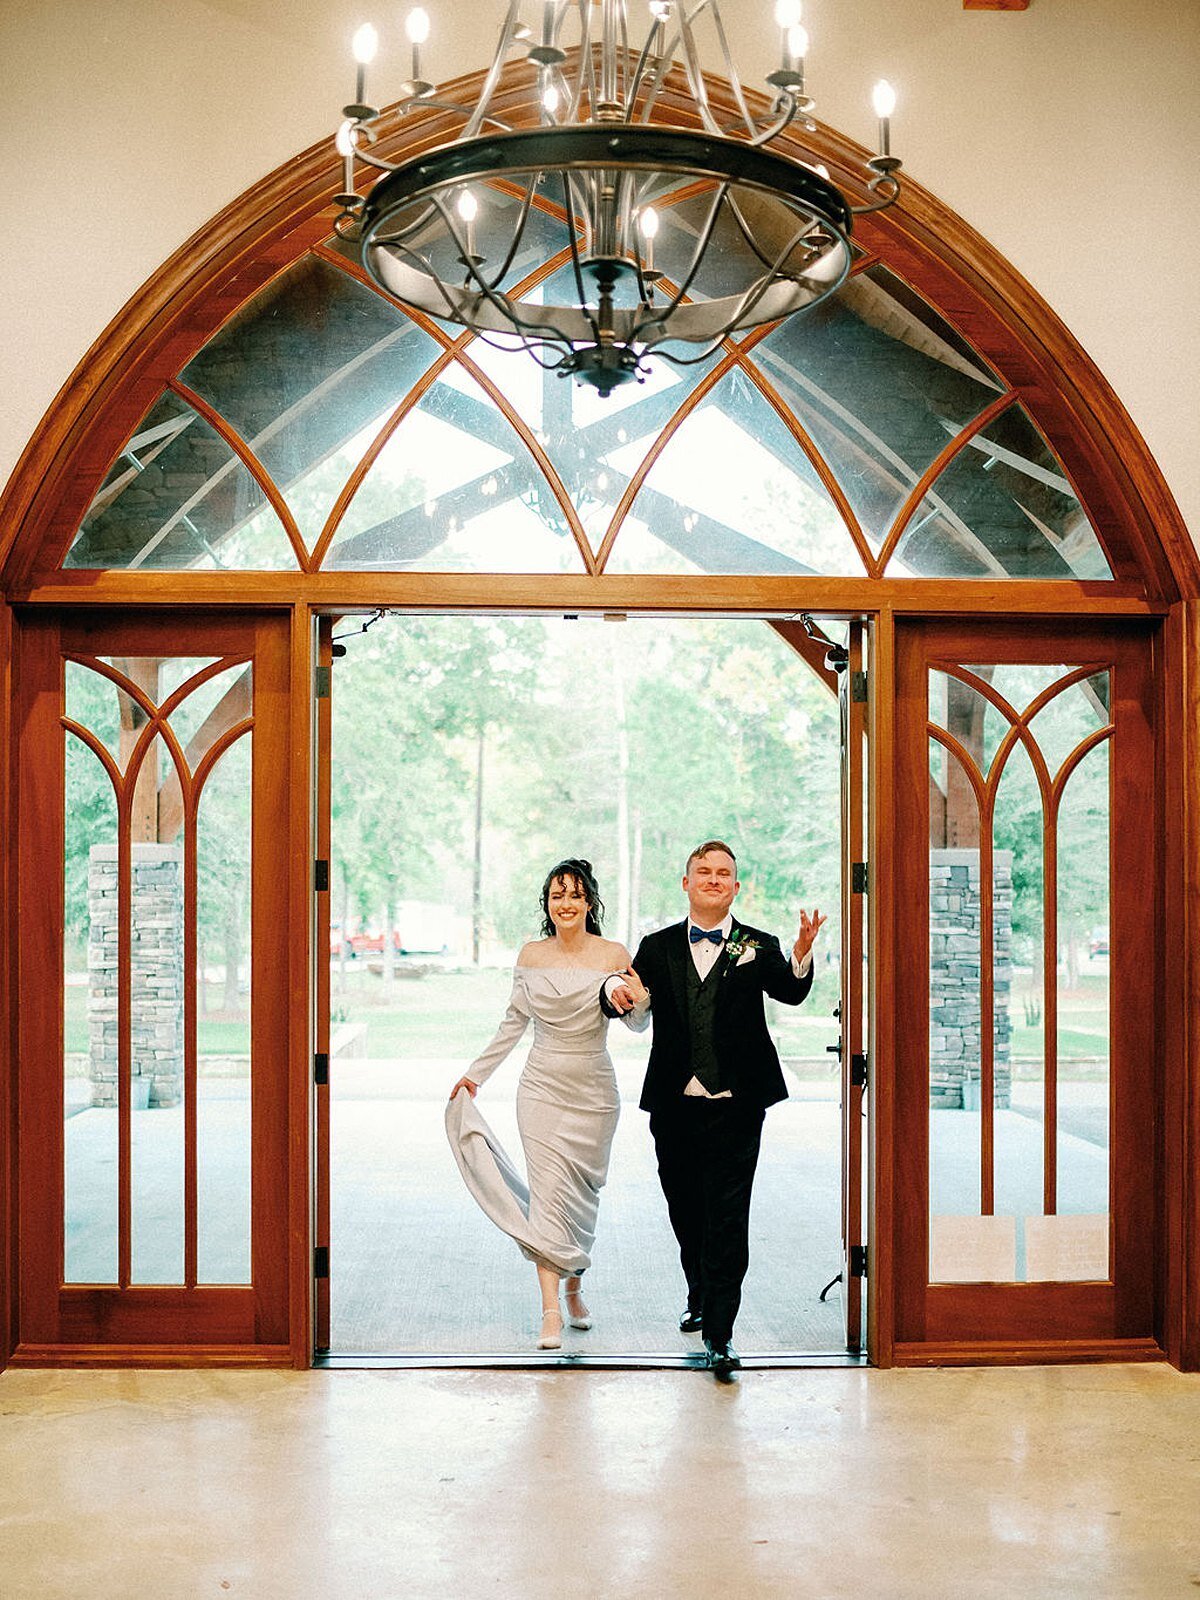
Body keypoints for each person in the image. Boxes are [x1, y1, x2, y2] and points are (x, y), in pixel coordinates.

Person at [602, 839, 825, 1379]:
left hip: (738, 1105)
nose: (713, 879)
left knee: (728, 1215)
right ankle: (699, 1291)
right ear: (686, 883)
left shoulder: (758, 944)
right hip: (674, 1106)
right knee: (686, 1208)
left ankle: (720, 1333)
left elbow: (790, 992)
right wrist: (621, 994)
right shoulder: (655, 947)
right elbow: (630, 1010)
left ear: (736, 886)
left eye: (724, 873)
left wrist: (800, 954)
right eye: (703, 872)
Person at [447, 859, 647, 1351]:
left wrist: (641, 1000)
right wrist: (476, 1074)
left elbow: (636, 1021)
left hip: (595, 1091)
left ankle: (576, 1289)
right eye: (557, 895)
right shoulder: (531, 956)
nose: (566, 904)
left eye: (575, 895)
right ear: (547, 903)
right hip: (540, 1088)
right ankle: (551, 1311)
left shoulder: (613, 953)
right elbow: (513, 1024)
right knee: (548, 1195)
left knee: (582, 1198)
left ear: (589, 902)